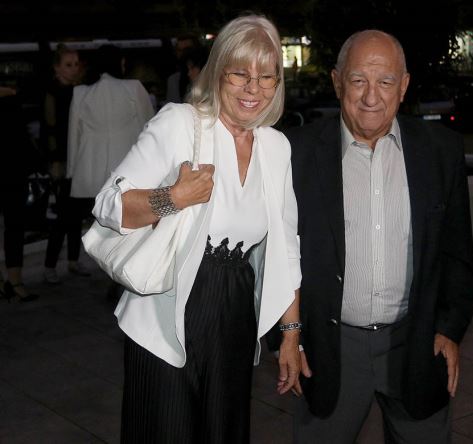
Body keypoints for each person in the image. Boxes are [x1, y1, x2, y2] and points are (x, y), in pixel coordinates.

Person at [92, 14, 302, 443]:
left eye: (266, 76)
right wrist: (172, 197)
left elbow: (287, 247)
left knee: (223, 430)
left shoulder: (276, 147)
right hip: (166, 308)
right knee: (165, 429)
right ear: (218, 71)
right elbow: (108, 203)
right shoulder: (180, 124)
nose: (253, 88)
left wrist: (291, 336)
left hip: (236, 311)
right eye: (240, 73)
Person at [286, 30, 473, 443]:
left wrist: (450, 328)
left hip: (416, 343)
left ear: (404, 86)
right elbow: (277, 256)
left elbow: (457, 250)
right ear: (337, 82)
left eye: (385, 81)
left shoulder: (441, 150)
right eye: (358, 80)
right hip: (328, 350)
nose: (371, 96)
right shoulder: (296, 152)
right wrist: (287, 337)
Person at [67, 44, 154, 265]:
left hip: (90, 167)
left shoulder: (81, 93)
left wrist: (72, 171)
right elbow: (149, 129)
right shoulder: (133, 88)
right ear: (119, 63)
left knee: (99, 222)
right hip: (128, 168)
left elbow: (73, 135)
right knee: (127, 225)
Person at [42, 44, 86, 284]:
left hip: (77, 158)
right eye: (68, 65)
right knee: (61, 215)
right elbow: (49, 128)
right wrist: (55, 161)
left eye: (76, 64)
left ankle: (72, 260)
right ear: (57, 67)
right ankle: (50, 265)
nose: (74, 69)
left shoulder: (80, 90)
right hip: (62, 159)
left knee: (74, 213)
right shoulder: (52, 91)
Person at [0, 86, 39, 302]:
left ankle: (14, 281)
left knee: (15, 226)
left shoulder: (13, 98)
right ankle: (12, 282)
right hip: (14, 166)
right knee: (14, 227)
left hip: (14, 167)